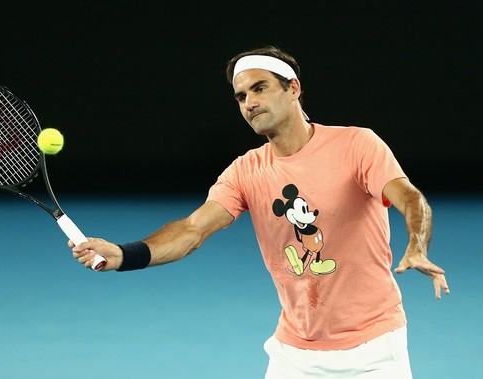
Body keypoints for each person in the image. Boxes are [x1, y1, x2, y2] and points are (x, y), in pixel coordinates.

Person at [69, 45, 450, 378]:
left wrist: (417, 245)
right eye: (240, 96)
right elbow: (192, 230)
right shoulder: (244, 171)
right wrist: (126, 254)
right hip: (294, 355)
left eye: (260, 88)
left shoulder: (357, 144)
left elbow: (411, 199)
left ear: (293, 88)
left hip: (374, 351)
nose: (249, 102)